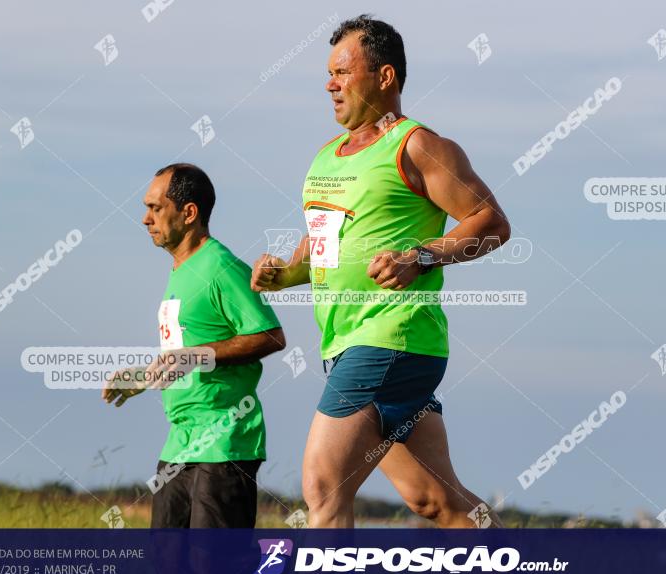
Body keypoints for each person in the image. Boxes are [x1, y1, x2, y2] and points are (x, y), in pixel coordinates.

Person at [251, 15, 510, 528]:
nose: (331, 84)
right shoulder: (326, 158)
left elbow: (491, 222)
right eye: (329, 73)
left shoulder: (418, 145)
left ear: (385, 77)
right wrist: (285, 274)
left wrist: (420, 257)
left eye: (343, 72)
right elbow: (323, 247)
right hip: (346, 342)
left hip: (390, 339)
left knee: (323, 486)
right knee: (435, 501)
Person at [102, 163, 285, 528]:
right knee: (168, 566)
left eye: (155, 208)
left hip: (224, 441)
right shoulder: (179, 272)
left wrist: (197, 355)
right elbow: (186, 354)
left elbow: (269, 336)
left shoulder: (219, 266)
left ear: (188, 213)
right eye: (146, 208)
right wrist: (143, 376)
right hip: (179, 443)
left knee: (214, 567)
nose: (145, 218)